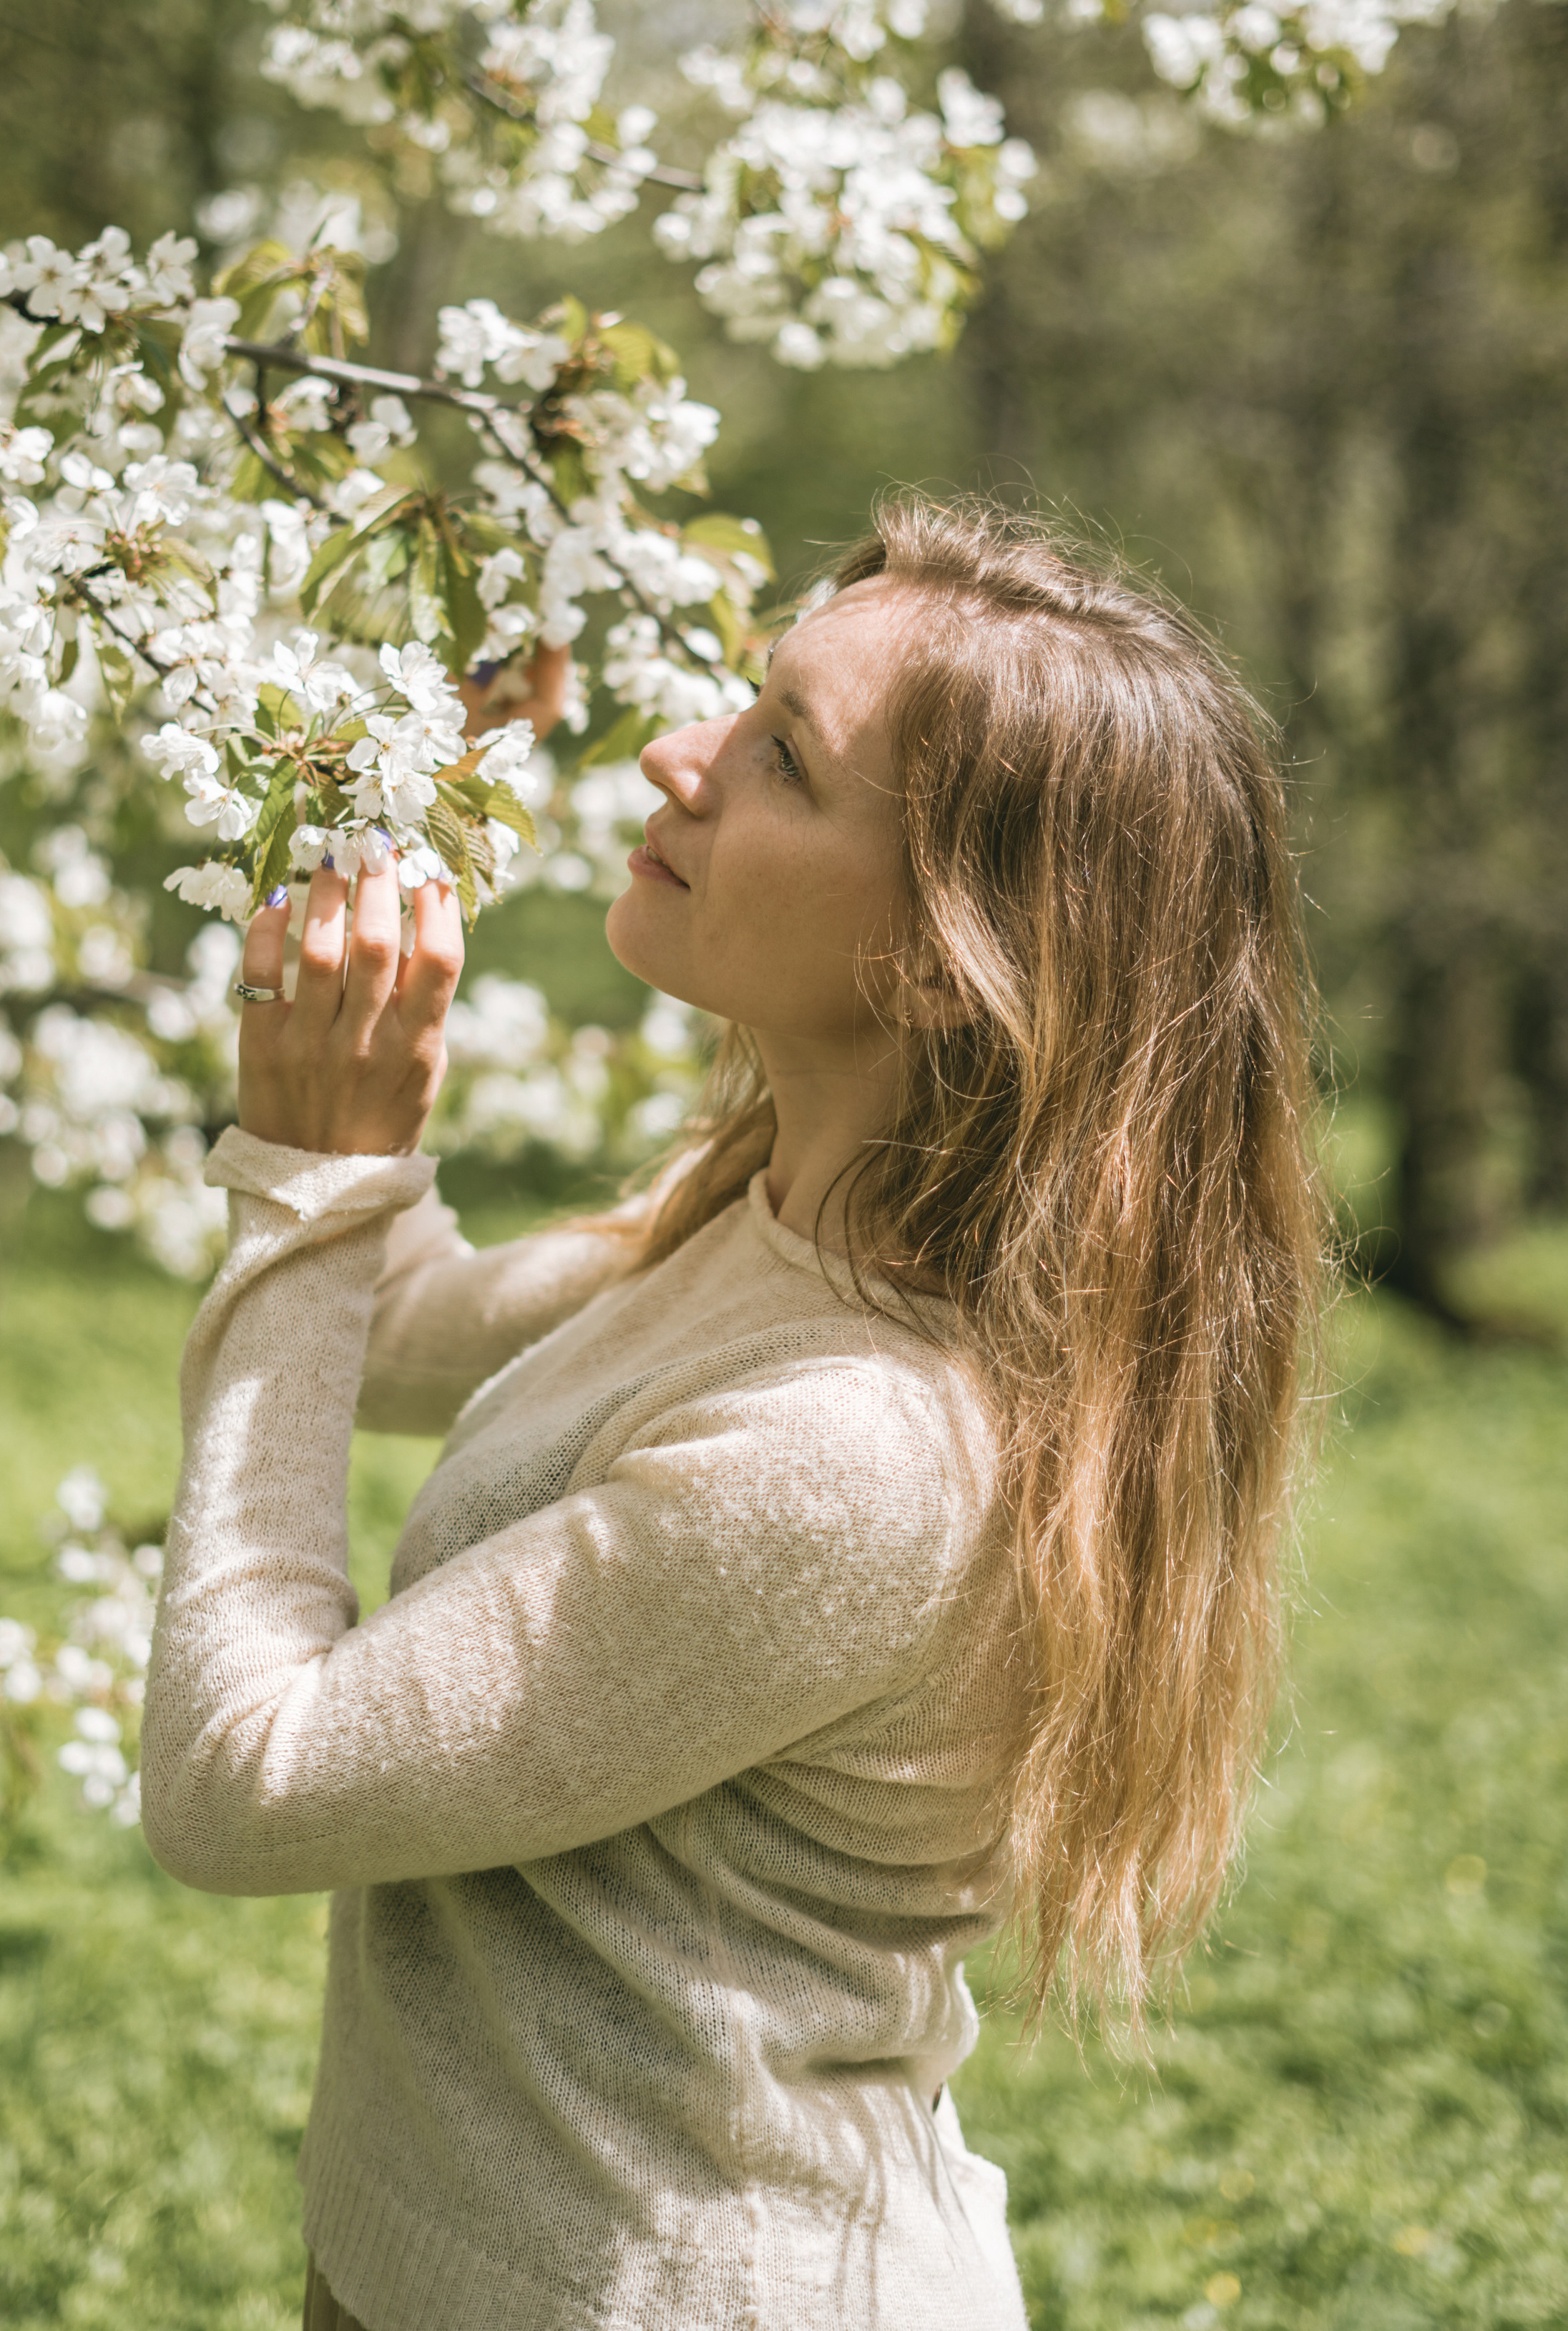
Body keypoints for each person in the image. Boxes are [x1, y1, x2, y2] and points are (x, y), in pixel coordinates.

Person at [140, 498, 1326, 2331]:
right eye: (736, 700)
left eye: (782, 756)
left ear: (949, 954)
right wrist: (399, 813)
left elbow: (242, 1783)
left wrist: (312, 1169)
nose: (671, 754)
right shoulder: (771, 1210)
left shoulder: (856, 1447)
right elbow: (388, 1330)